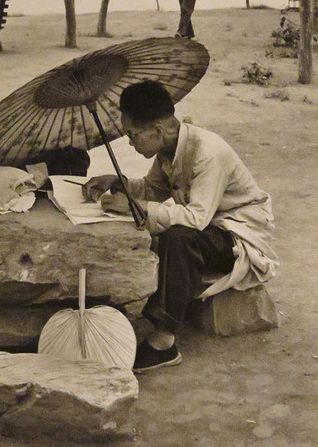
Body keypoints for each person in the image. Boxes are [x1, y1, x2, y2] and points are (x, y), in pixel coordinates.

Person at [82, 80, 279, 373]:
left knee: (177, 238)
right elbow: (152, 189)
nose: (129, 142)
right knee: (166, 228)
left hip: (240, 237)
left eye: (132, 134)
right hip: (214, 229)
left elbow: (196, 219)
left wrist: (136, 207)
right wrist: (117, 181)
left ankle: (164, 342)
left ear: (157, 131)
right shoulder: (168, 149)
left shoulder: (207, 151)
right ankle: (171, 308)